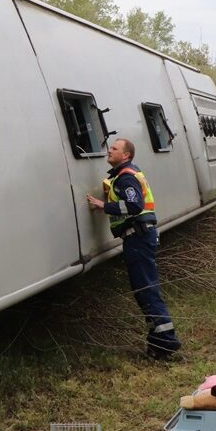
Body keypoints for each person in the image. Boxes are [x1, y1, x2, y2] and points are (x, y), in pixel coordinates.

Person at [86, 138, 181, 359]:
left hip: (138, 239)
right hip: (140, 237)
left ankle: (166, 343)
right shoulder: (127, 174)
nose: (109, 151)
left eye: (115, 148)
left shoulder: (126, 177)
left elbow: (134, 205)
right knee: (145, 290)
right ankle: (159, 341)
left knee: (146, 290)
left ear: (126, 155)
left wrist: (103, 205)